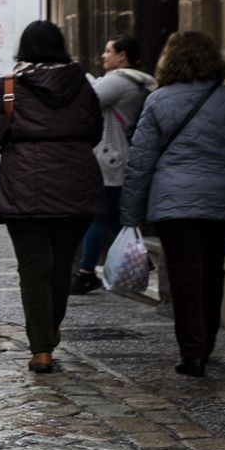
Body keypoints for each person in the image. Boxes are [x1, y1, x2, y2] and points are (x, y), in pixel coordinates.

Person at [122, 30, 225, 378]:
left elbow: (141, 162)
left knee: (184, 276)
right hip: (221, 201)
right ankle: (206, 344)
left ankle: (192, 351)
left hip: (173, 203)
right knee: (211, 272)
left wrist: (130, 213)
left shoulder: (158, 101)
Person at [0, 22, 102, 374]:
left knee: (33, 267)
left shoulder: (6, 87)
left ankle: (41, 348)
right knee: (62, 265)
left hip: (23, 184)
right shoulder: (82, 84)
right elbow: (94, 130)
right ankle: (49, 329)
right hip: (75, 180)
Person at [72, 35, 156, 294]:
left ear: (122, 57)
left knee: (97, 214)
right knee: (111, 216)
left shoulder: (119, 81)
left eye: (108, 51)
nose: (103, 56)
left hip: (108, 158)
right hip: (116, 155)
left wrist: (83, 80)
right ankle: (145, 259)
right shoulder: (133, 83)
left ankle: (86, 272)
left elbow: (86, 101)